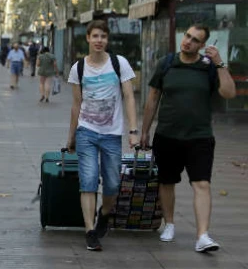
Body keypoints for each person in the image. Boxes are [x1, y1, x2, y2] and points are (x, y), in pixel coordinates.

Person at [140, 24, 236, 253]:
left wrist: (219, 63)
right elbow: (153, 98)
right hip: (167, 134)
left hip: (199, 136)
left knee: (202, 183)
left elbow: (229, 93)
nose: (188, 42)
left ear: (202, 45)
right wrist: (144, 131)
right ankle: (169, 224)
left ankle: (202, 235)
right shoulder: (167, 63)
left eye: (195, 40)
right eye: (187, 36)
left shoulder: (208, 67)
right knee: (167, 182)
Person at [66, 20, 138, 252]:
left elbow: (129, 97)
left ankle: (104, 214)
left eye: (103, 36)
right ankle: (90, 231)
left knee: (113, 184)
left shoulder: (119, 63)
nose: (99, 40)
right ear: (88, 38)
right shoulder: (78, 68)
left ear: (107, 40)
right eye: (95, 36)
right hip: (86, 131)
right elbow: (76, 104)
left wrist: (133, 131)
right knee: (88, 179)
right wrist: (71, 137)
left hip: (111, 133)